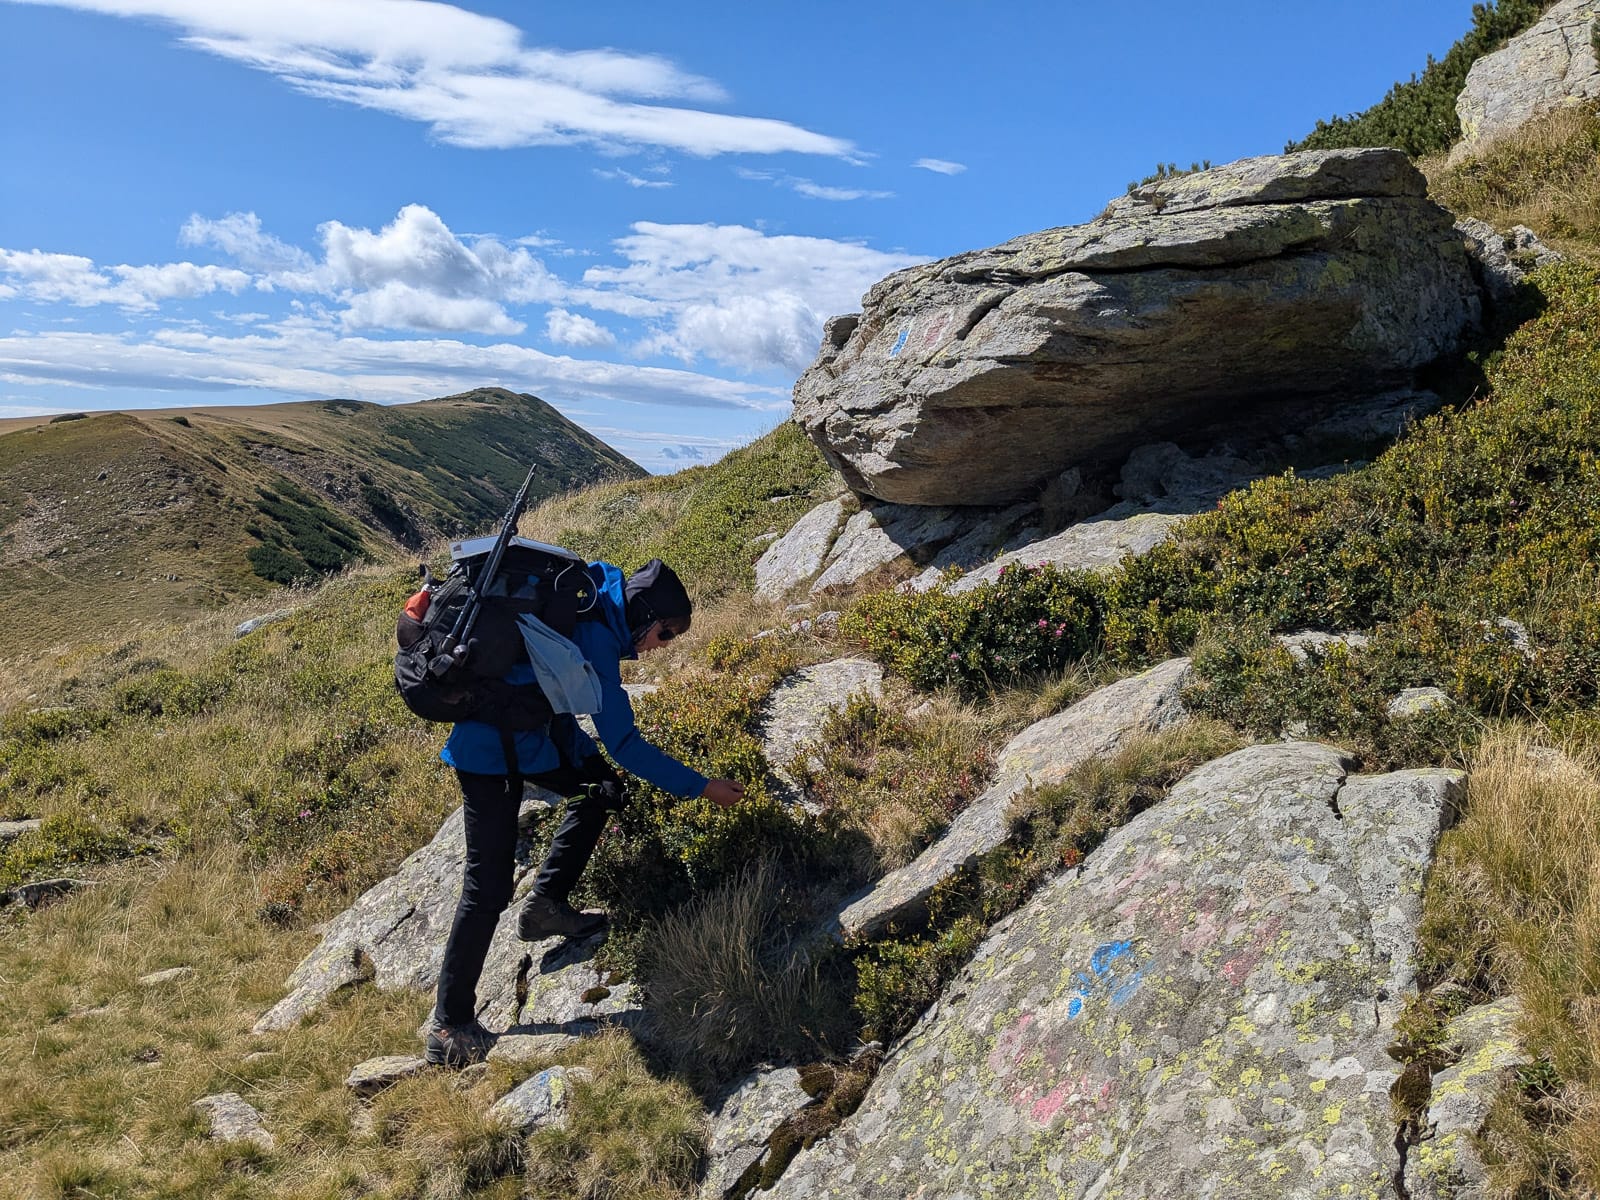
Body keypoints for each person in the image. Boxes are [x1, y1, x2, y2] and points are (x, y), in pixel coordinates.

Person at [424, 557, 745, 1067]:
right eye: (664, 635)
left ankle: (546, 905)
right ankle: (449, 1024)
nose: (660, 648)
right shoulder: (595, 632)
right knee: (486, 889)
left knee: (600, 789)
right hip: (491, 753)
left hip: (530, 736)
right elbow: (622, 741)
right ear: (644, 616)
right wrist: (701, 787)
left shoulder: (590, 606)